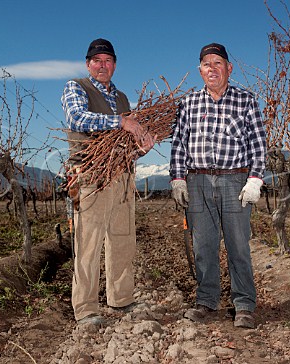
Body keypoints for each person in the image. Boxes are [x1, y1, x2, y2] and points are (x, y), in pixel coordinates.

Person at [170, 42, 266, 329]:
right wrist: (177, 178)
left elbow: (259, 144)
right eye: (207, 64)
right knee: (204, 245)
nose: (212, 69)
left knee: (238, 245)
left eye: (218, 63)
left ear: (229, 68)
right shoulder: (188, 103)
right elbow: (178, 143)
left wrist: (255, 179)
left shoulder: (246, 100)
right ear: (200, 70)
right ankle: (206, 300)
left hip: (233, 179)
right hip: (197, 179)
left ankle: (245, 304)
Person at [61, 38, 155, 326]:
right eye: (97, 61)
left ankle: (121, 299)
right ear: (88, 64)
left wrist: (141, 148)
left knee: (123, 240)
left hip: (123, 177)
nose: (103, 66)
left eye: (108, 61)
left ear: (114, 65)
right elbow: (77, 119)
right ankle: (86, 308)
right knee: (88, 243)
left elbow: (126, 141)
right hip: (91, 177)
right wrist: (121, 122)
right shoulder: (76, 87)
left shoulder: (123, 98)